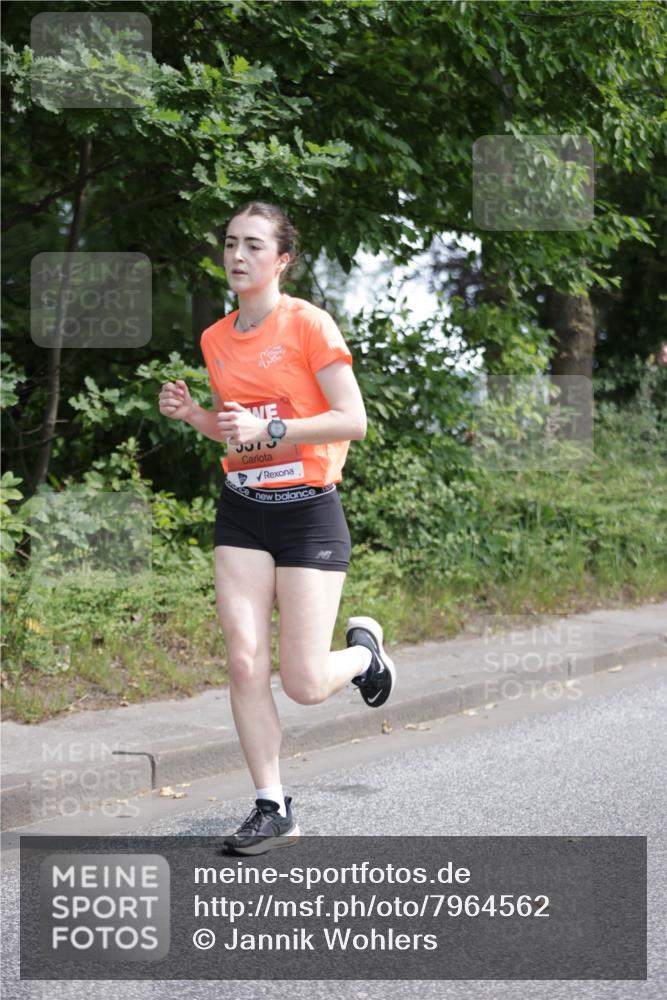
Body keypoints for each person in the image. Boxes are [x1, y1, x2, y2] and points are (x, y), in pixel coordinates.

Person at [158, 200, 396, 855]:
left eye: (254, 245)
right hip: (242, 509)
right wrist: (196, 416)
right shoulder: (215, 338)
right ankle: (272, 806)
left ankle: (365, 657)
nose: (237, 255)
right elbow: (236, 432)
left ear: (282, 259)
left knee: (304, 684)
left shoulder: (308, 324)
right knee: (243, 662)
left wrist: (274, 426)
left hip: (307, 510)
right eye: (231, 242)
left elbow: (353, 420)